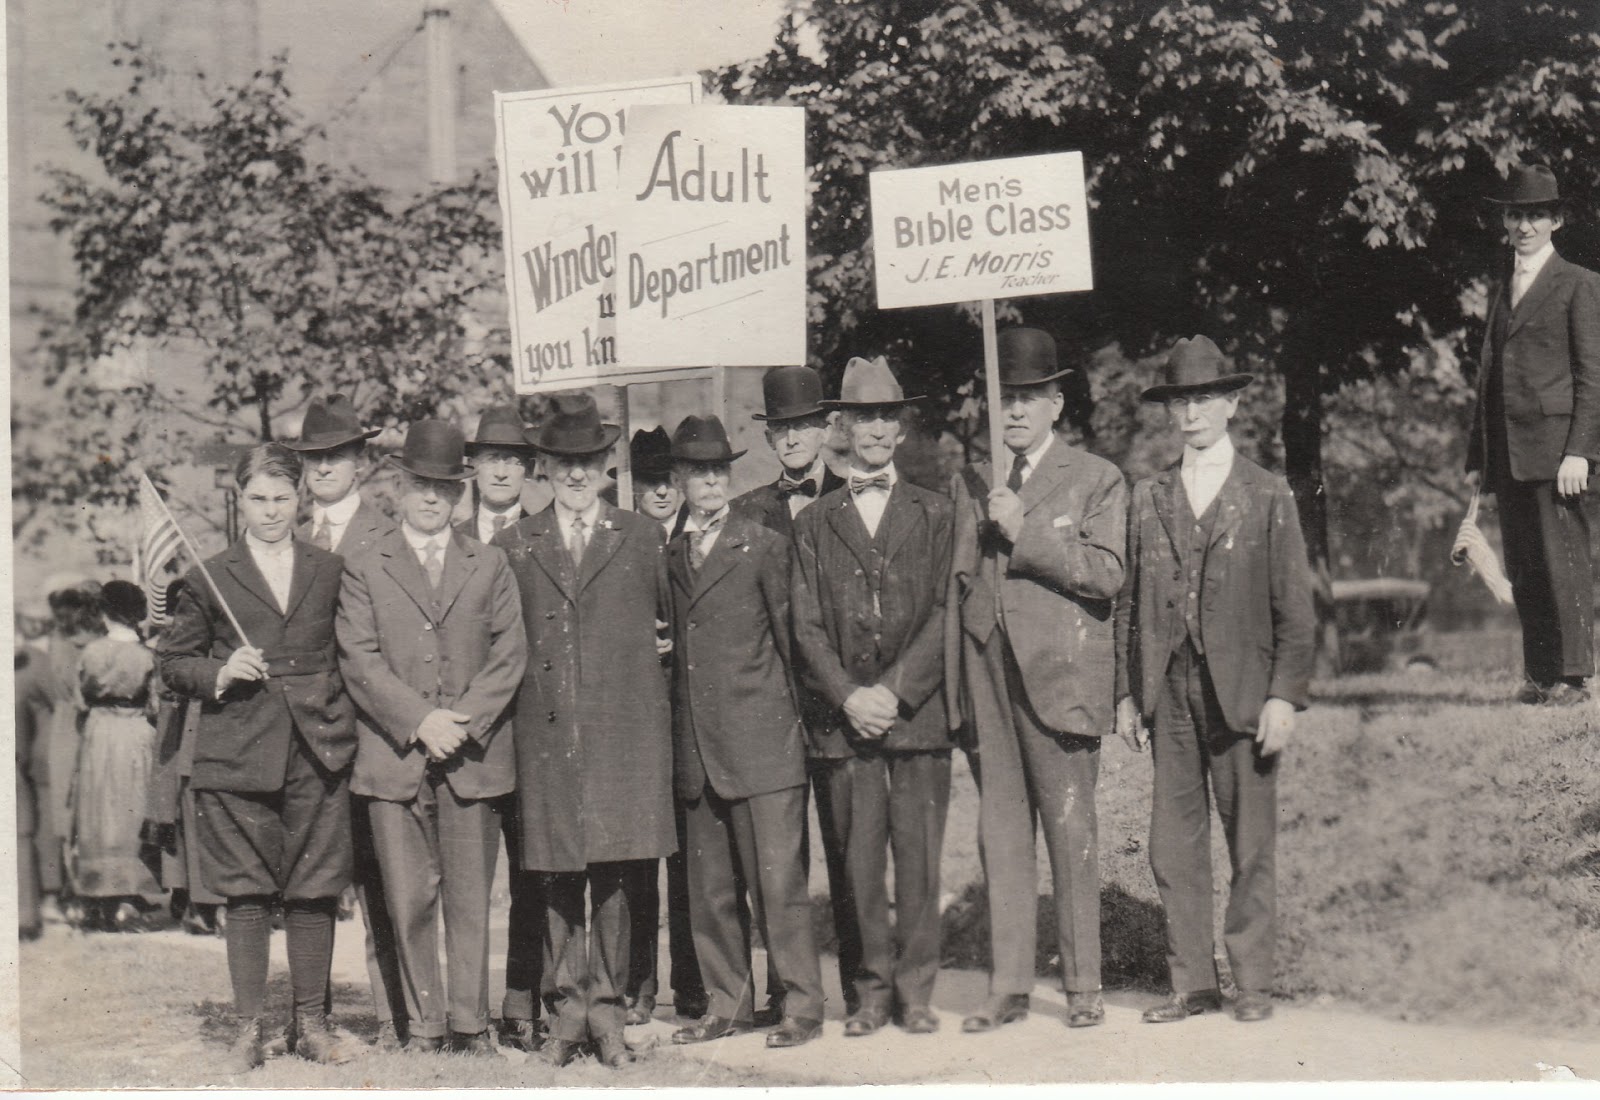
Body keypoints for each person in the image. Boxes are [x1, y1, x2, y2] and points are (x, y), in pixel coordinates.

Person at [1114, 336, 1316, 1025]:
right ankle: (1192, 982)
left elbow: (1296, 608)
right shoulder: (1150, 494)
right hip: (1168, 691)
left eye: (1205, 398)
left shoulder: (1266, 493)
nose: (1193, 412)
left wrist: (1284, 695)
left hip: (1245, 693)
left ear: (1232, 403)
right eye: (1180, 400)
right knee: (1173, 843)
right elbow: (1131, 605)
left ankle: (1253, 982)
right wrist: (1126, 695)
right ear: (1168, 411)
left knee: (1249, 841)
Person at [945, 327, 1126, 1032]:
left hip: (1059, 679)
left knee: (1069, 827)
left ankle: (1083, 986)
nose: (1014, 413)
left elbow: (1107, 573)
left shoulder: (1095, 477)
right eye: (1005, 401)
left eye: (1028, 398)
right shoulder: (977, 481)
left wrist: (1026, 533)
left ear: (1056, 403)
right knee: (1002, 833)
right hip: (990, 676)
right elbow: (961, 586)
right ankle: (1009, 986)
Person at [159, 443, 362, 1072]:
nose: (270, 510)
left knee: (314, 890)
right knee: (245, 894)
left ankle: (311, 1025)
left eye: (281, 497)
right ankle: (249, 1028)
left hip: (317, 750)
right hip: (238, 751)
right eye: (257, 498)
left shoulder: (330, 568)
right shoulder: (207, 574)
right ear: (238, 500)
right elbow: (173, 663)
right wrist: (221, 671)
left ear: (299, 499)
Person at [494, 393, 675, 1069]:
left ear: (607, 463)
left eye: (588, 460)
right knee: (556, 882)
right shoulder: (514, 543)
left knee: (619, 880)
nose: (575, 474)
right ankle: (564, 1012)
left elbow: (669, 632)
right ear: (543, 465)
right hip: (549, 741)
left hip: (623, 738)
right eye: (562, 461)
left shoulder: (641, 536)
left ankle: (609, 1012)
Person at [336, 420, 527, 1056]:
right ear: (401, 485)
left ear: (459, 494)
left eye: (444, 489)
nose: (431, 498)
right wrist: (421, 720)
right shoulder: (365, 564)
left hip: (472, 758)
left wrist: (460, 721)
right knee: (409, 900)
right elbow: (359, 658)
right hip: (395, 759)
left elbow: (509, 654)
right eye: (421, 485)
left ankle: (471, 1025)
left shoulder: (490, 560)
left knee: (470, 900)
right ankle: (425, 1025)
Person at [791, 356, 954, 1037]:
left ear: (901, 425)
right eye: (863, 417)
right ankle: (872, 994)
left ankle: (916, 993)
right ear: (842, 426)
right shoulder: (814, 521)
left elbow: (947, 609)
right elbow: (804, 623)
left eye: (887, 416)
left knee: (917, 861)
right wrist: (849, 695)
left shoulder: (938, 512)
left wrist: (893, 690)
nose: (876, 430)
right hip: (845, 723)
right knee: (859, 864)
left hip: (916, 719)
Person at [663, 415, 826, 1050]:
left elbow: (794, 647)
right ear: (677, 480)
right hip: (698, 749)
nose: (708, 482)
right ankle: (727, 1005)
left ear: (728, 477)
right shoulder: (671, 554)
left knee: (778, 887)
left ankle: (802, 1007)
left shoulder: (762, 545)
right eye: (695, 472)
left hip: (765, 747)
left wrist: (799, 737)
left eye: (717, 471)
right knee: (711, 892)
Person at [731, 363, 856, 1017]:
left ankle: (863, 990)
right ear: (769, 435)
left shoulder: (856, 495)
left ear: (826, 427)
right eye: (781, 428)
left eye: (803, 425)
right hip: (774, 715)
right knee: (780, 862)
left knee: (848, 852)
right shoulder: (745, 513)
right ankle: (788, 993)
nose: (792, 439)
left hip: (836, 710)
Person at [285, 391, 404, 1048]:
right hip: (309, 739)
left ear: (361, 461)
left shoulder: (389, 533)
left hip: (374, 734)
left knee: (383, 876)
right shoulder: (291, 537)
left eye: (336, 455)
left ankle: (393, 1018)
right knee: (313, 879)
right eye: (313, 458)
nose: (324, 467)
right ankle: (311, 1015)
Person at [1465, 163, 1600, 704]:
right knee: (1525, 565)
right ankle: (1540, 675)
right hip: (1509, 453)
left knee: (1562, 561)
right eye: (1517, 216)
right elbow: (1488, 377)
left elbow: (1594, 376)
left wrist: (1581, 453)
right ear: (1506, 222)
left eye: (1536, 216)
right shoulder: (1502, 288)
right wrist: (1478, 455)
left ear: (1556, 220)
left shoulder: (1580, 284)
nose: (1525, 226)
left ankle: (1573, 676)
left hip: (1557, 452)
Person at [453, 403, 551, 1054]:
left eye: (514, 460)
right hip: (465, 734)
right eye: (492, 458)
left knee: (532, 879)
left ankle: (522, 1005)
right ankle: (466, 1013)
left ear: (528, 470)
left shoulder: (547, 535)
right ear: (474, 467)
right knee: (466, 882)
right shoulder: (447, 534)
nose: (502, 470)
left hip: (534, 736)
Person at [608, 424, 704, 1026]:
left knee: (693, 858)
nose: (663, 493)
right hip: (639, 716)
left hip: (691, 712)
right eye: (649, 482)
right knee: (641, 856)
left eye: (670, 481)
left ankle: (690, 984)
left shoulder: (700, 538)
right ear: (632, 487)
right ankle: (639, 984)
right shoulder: (624, 541)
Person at [70, 580, 165, 930]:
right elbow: (155, 702)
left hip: (100, 733)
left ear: (105, 612)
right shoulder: (146, 656)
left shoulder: (91, 652)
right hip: (135, 731)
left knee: (98, 811)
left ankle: (97, 897)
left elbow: (80, 698)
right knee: (132, 810)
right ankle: (127, 897)